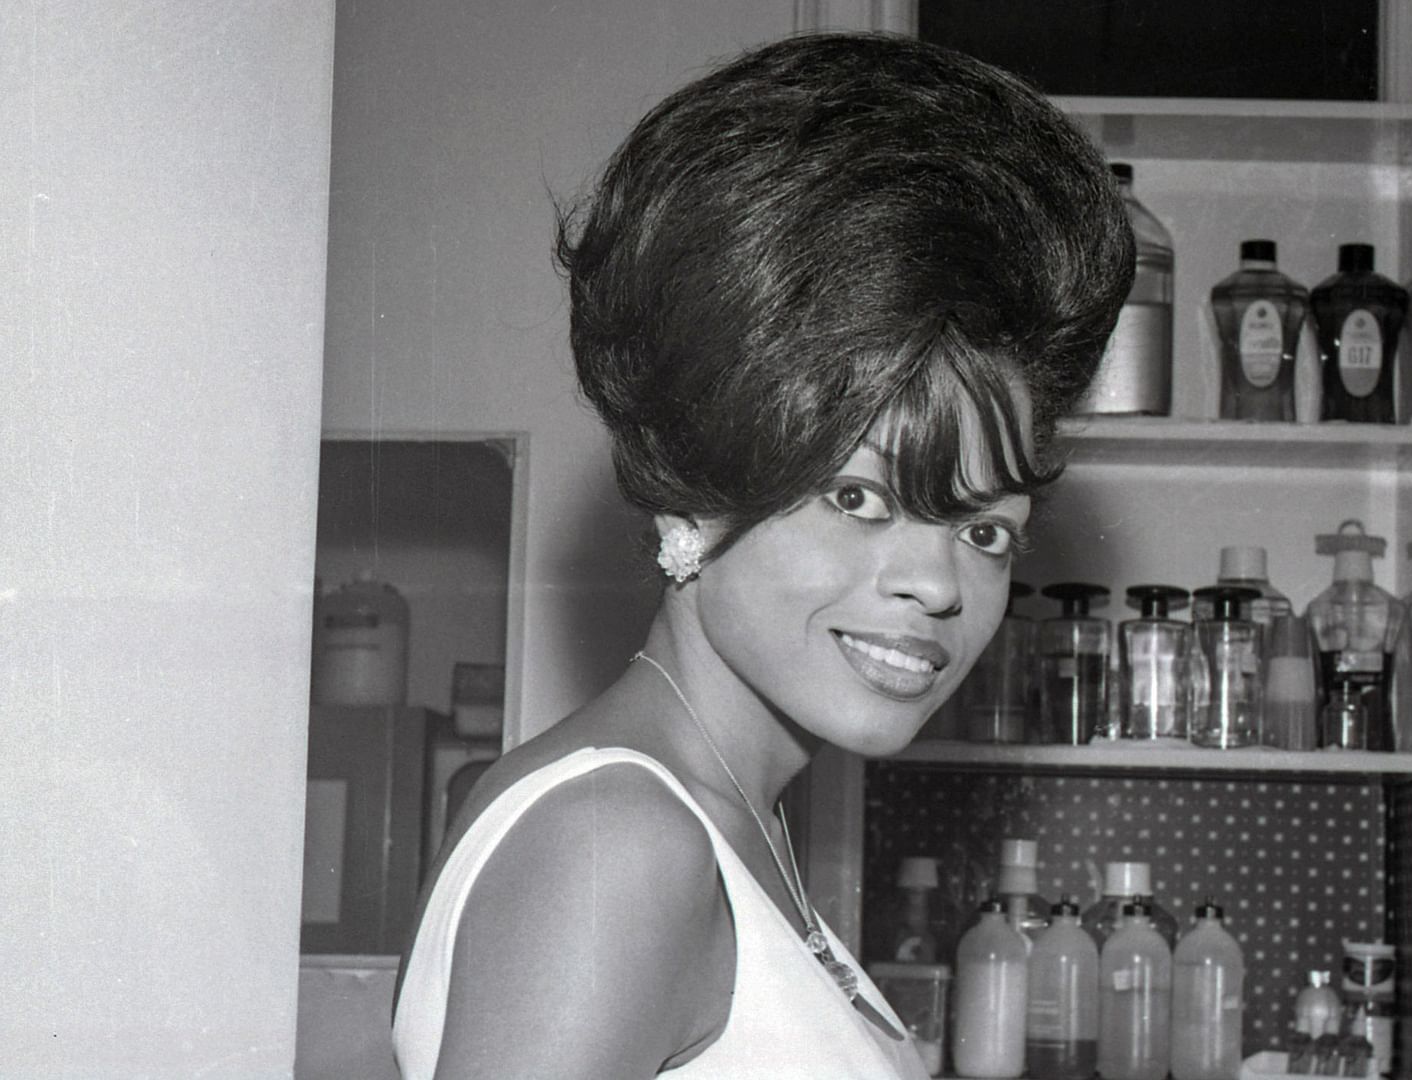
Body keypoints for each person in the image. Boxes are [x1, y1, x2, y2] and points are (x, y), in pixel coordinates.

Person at [389, 31, 1133, 1080]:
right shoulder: (622, 844)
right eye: (859, 497)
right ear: (697, 488)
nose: (938, 585)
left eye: (983, 531)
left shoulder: (718, 824)